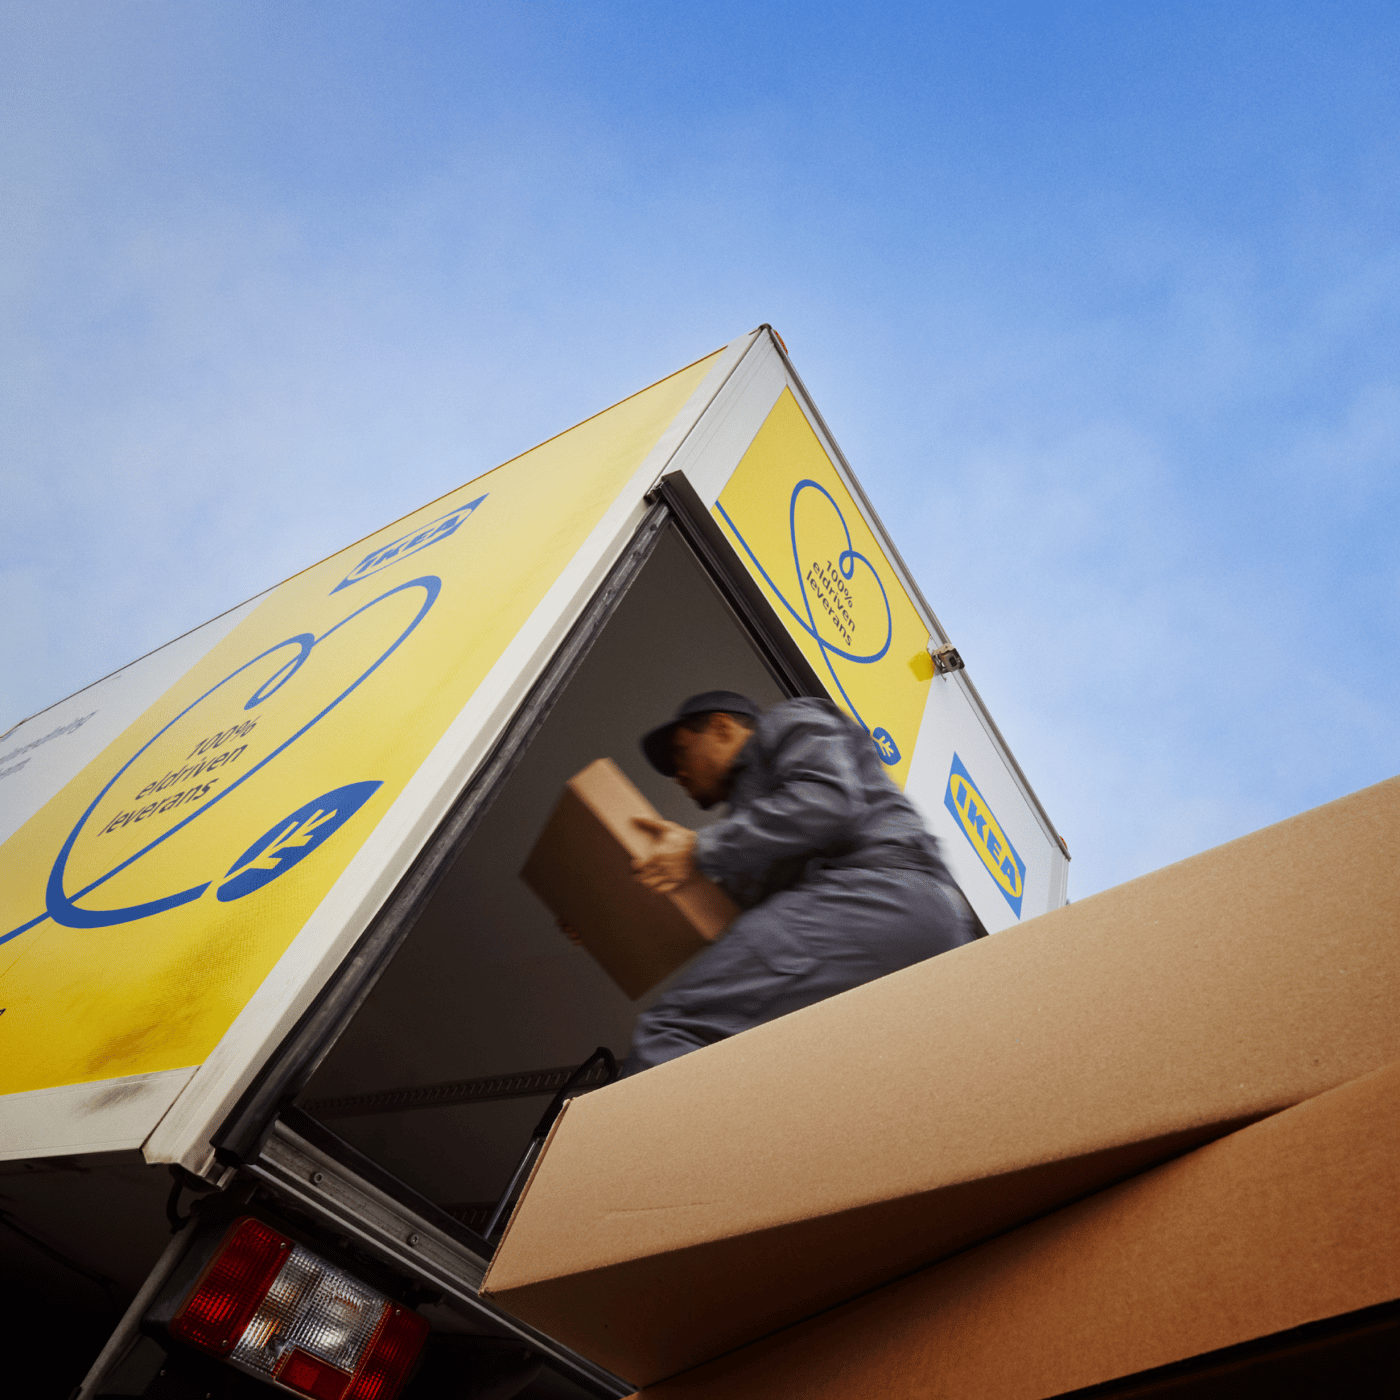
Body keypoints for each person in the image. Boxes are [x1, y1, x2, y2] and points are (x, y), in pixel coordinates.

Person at [616, 689, 977, 1075]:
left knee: (674, 1028)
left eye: (681, 753)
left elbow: (827, 801)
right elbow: (718, 914)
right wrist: (606, 924)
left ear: (722, 727)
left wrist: (698, 847)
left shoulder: (787, 721)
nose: (678, 775)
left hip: (879, 893)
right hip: (920, 929)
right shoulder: (752, 826)